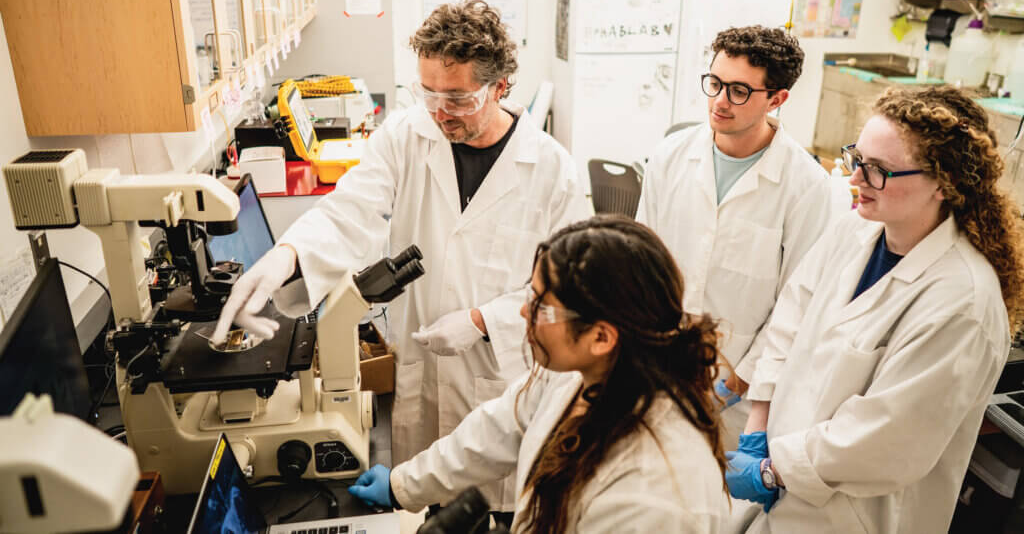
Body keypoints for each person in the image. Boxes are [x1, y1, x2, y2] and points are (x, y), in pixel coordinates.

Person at [212, 0, 588, 518]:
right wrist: (287, 255)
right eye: (427, 91)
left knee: (498, 513)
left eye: (457, 97)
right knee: (428, 507)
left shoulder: (552, 169)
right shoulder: (407, 135)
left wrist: (484, 319)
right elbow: (351, 208)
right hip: (424, 365)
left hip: (500, 373)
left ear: (501, 86)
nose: (438, 111)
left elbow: (572, 288)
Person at [727, 85, 1023, 533]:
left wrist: (773, 470)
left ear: (945, 183)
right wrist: (757, 425)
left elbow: (887, 438)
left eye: (879, 170)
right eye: (857, 158)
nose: (856, 179)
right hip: (783, 475)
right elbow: (791, 317)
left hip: (856, 515)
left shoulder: (963, 303)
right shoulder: (856, 231)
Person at [348, 216, 731, 533]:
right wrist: (402, 485)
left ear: (600, 336)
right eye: (529, 296)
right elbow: (499, 427)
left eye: (541, 307)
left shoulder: (654, 494)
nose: (521, 314)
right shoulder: (584, 375)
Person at [636, 26, 833, 446]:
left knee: (713, 503)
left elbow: (797, 303)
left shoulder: (806, 186)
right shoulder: (671, 157)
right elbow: (642, 262)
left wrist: (737, 384)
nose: (720, 101)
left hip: (736, 393)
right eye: (715, 83)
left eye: (739, 91)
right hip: (657, 368)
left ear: (777, 99)